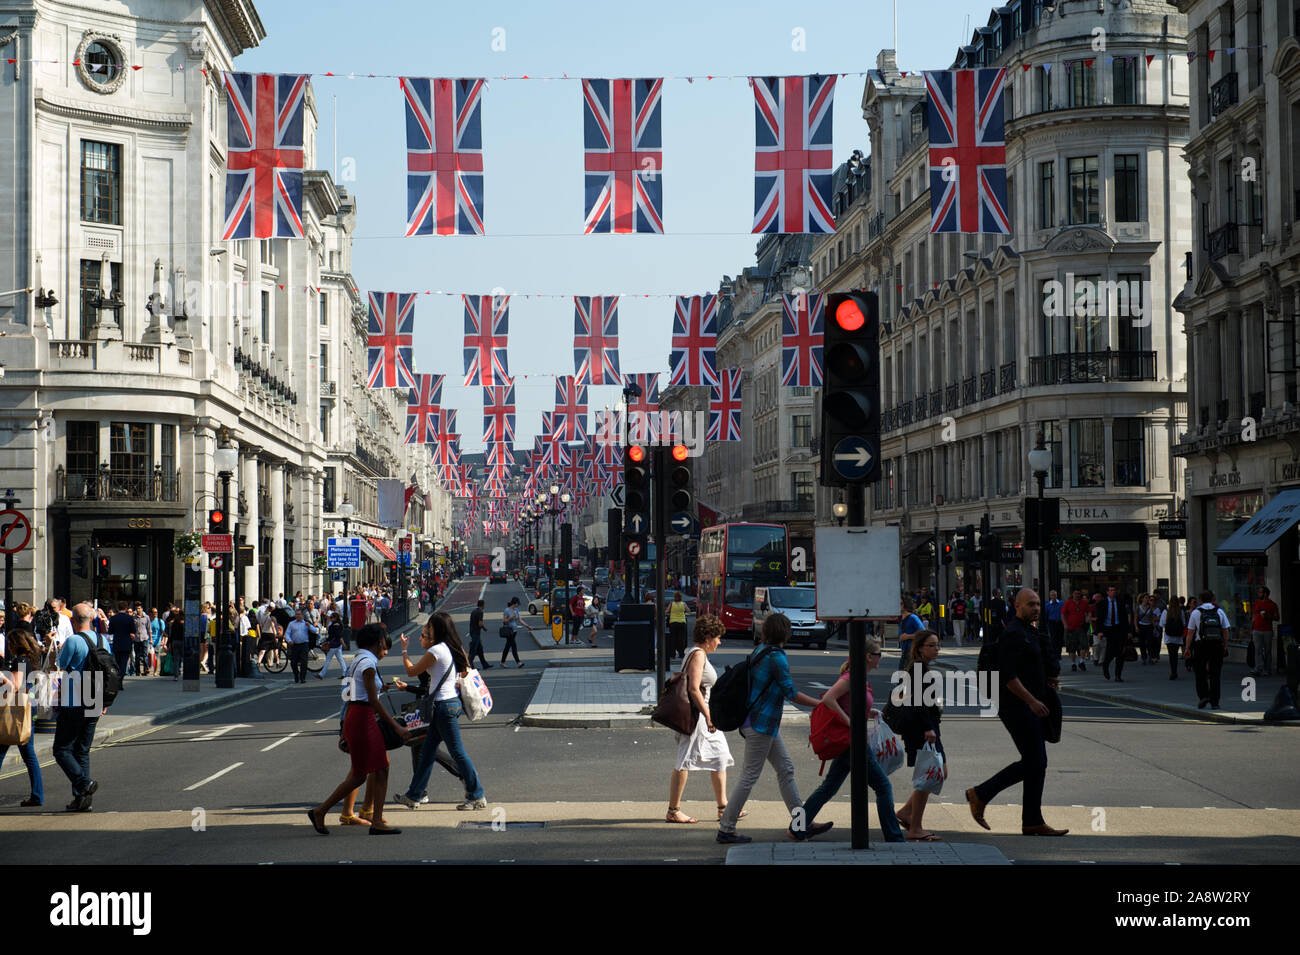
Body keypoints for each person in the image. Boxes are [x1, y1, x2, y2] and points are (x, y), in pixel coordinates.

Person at [716, 613, 826, 845]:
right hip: (760, 723)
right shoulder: (776, 657)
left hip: (759, 722)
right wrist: (821, 704)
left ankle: (800, 823)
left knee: (785, 769)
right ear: (785, 632)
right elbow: (791, 692)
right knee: (749, 777)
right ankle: (726, 828)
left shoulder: (761, 650)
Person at [967, 588, 1068, 837]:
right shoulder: (1012, 634)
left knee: (1037, 763)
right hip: (1016, 706)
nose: (1035, 608)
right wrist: (1032, 700)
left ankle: (1032, 821)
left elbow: (1035, 667)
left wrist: (1046, 681)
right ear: (1018, 607)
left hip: (1031, 703)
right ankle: (980, 794)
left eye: (1038, 604)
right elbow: (1008, 677)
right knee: (1035, 761)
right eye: (1030, 604)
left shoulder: (1031, 632)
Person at [308, 624, 410, 835]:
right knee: (367, 772)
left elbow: (351, 694)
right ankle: (327, 812)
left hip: (356, 715)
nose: (385, 644)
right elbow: (373, 701)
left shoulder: (357, 660)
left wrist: (344, 727)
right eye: (383, 640)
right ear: (377, 642)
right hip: (364, 718)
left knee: (369, 771)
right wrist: (397, 727)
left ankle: (326, 811)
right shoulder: (369, 666)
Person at [801, 637, 905, 842]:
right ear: (868, 656)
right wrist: (851, 723)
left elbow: (851, 703)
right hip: (851, 741)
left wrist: (868, 712)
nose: (880, 658)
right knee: (883, 787)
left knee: (828, 787)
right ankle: (894, 836)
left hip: (849, 741)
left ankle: (797, 827)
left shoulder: (860, 675)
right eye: (878, 654)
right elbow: (829, 698)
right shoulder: (852, 676)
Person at [395, 612, 487, 811]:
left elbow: (412, 671)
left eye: (429, 628)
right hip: (447, 704)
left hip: (443, 707)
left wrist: (404, 651)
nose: (426, 630)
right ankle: (414, 795)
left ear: (437, 630)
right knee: (427, 752)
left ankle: (477, 795)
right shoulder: (453, 647)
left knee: (458, 753)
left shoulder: (436, 651)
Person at [665, 614, 737, 824]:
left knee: (720, 756)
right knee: (684, 761)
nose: (719, 642)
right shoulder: (698, 655)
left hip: (705, 717)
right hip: (697, 718)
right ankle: (673, 810)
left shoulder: (696, 653)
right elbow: (694, 689)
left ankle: (724, 808)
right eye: (717, 637)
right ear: (708, 637)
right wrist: (708, 716)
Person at [891, 629, 945, 841]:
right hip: (923, 729)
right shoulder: (919, 669)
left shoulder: (921, 668)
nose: (936, 649)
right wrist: (928, 728)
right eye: (931, 645)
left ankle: (906, 812)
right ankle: (915, 828)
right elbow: (918, 702)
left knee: (938, 772)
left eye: (937, 645)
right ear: (920, 648)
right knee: (928, 776)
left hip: (927, 726)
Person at [54, 603, 106, 812]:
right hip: (95, 700)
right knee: (82, 751)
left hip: (74, 701)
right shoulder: (102, 639)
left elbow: (59, 665)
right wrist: (103, 701)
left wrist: (56, 648)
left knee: (62, 749)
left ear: (73, 620)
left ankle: (84, 783)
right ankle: (82, 800)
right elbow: (104, 670)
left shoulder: (73, 640)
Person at [0, 611, 45, 806]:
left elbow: (15, 686)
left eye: (10, 643)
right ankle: (37, 795)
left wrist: (1, 677)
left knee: (3, 751)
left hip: (15, 711)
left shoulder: (20, 661)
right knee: (29, 754)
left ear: (14, 644)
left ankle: (37, 795)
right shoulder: (31, 660)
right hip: (27, 709)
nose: (8, 647)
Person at [1185, 591, 1230, 710]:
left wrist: (1187, 648)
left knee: (1200, 673)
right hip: (1216, 645)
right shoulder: (1219, 611)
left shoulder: (1196, 612)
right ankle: (1215, 702)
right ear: (1213, 599)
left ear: (1200, 600)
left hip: (1201, 645)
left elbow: (1190, 632)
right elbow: (1225, 630)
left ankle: (1203, 696)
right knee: (1215, 674)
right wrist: (1225, 645)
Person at [1097, 585, 1134, 682]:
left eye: (1114, 590)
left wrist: (1129, 631)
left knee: (1120, 653)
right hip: (1108, 629)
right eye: (1111, 590)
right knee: (1110, 652)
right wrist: (1099, 631)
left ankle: (1118, 675)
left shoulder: (1120, 602)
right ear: (1107, 592)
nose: (1113, 592)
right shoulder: (1102, 603)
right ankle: (1105, 665)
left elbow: (1125, 619)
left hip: (1119, 628)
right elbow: (1100, 618)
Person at [1250, 586, 1280, 677]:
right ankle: (1258, 668)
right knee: (1257, 650)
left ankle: (1267, 669)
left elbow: (1277, 618)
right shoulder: (1257, 603)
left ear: (1265, 594)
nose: (1258, 594)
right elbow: (1254, 617)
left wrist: (1268, 616)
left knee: (1267, 651)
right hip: (1257, 630)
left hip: (1267, 630)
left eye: (1260, 592)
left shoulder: (1272, 605)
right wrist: (1252, 629)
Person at [1061, 588, 1090, 672]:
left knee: (1083, 645)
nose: (1077, 595)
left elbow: (1089, 611)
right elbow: (1062, 614)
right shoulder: (1068, 603)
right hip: (1070, 628)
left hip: (1081, 628)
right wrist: (1065, 624)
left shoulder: (1084, 603)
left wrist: (1088, 617)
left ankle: (1081, 661)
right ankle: (1073, 663)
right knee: (1071, 648)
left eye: (1078, 593)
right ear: (1072, 594)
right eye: (1075, 593)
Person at [1159, 596, 1186, 680]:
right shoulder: (1180, 611)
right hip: (1177, 636)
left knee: (1171, 655)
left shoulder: (1166, 611)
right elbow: (1184, 623)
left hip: (1169, 636)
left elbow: (1162, 624)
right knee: (1176, 654)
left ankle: (1173, 671)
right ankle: (1175, 670)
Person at [107, 601, 135, 680]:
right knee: (124, 662)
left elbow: (110, 631)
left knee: (117, 662)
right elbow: (133, 630)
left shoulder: (113, 618)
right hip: (126, 643)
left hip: (117, 642)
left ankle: (117, 677)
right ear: (126, 609)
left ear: (118, 608)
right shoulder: (129, 618)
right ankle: (121, 678)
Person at [501, 597, 531, 668]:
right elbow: (504, 621)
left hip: (514, 631)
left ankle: (502, 662)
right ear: (514, 603)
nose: (518, 605)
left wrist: (527, 626)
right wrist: (511, 617)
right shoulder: (507, 610)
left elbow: (520, 620)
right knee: (514, 646)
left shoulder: (516, 610)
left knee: (507, 647)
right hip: (509, 632)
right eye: (517, 604)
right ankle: (518, 662)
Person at [284, 606, 312, 684]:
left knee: (304, 662)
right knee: (293, 662)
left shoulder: (306, 623)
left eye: (299, 614)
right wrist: (289, 640)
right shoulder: (291, 623)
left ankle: (302, 678)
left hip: (304, 644)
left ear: (302, 615)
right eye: (296, 614)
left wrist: (310, 627)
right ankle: (296, 675)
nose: (298, 616)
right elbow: (287, 633)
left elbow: (314, 631)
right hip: (295, 645)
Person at [318, 613, 347, 680]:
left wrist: (344, 644)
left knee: (328, 660)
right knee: (340, 659)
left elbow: (339, 636)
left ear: (335, 618)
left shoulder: (334, 626)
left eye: (331, 617)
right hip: (338, 645)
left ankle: (321, 674)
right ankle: (345, 673)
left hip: (333, 645)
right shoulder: (338, 625)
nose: (330, 618)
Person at [897, 596, 924, 668]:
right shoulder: (901, 618)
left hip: (913, 652)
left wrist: (908, 636)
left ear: (906, 605)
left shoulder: (913, 617)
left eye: (901, 604)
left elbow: (923, 633)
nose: (898, 606)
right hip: (905, 652)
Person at [1135, 593, 1160, 665]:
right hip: (1141, 625)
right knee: (1142, 642)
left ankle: (1149, 656)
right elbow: (1136, 618)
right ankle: (1144, 657)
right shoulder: (1138, 607)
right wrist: (1136, 627)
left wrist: (1154, 627)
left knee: (1150, 642)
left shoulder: (1150, 608)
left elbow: (1151, 618)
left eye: (1148, 598)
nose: (1147, 599)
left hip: (1149, 626)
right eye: (1146, 598)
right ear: (1142, 599)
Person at [466, 599, 490, 669]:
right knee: (473, 650)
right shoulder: (480, 612)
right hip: (476, 633)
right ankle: (470, 666)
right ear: (482, 605)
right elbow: (480, 623)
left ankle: (484, 664)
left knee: (480, 650)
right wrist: (484, 628)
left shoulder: (473, 611)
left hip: (472, 631)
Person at [668, 591, 688, 661]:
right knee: (681, 639)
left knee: (673, 639)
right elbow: (688, 610)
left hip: (673, 623)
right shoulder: (684, 604)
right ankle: (681, 654)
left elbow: (666, 611)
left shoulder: (671, 603)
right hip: (682, 623)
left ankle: (672, 654)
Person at [165, 609, 185, 680]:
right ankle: (185, 673)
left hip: (175, 642)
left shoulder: (174, 623)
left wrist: (169, 644)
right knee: (184, 658)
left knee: (176, 659)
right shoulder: (184, 623)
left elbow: (171, 635)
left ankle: (176, 676)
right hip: (182, 641)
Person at [1044, 590, 1064, 658]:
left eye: (1054, 595)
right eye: (1052, 595)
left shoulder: (1061, 603)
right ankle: (1054, 653)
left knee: (1060, 638)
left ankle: (1059, 653)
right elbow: (1046, 615)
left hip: (1059, 622)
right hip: (1051, 622)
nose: (1053, 597)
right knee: (1053, 639)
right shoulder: (1047, 605)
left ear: (1056, 596)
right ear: (1050, 596)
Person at [149, 608, 165, 676]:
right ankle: (148, 669)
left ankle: (155, 671)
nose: (155, 613)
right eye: (153, 612)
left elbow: (163, 632)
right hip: (148, 641)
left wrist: (162, 641)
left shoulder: (160, 621)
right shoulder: (148, 620)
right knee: (148, 656)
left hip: (157, 642)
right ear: (150, 613)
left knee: (157, 657)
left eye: (156, 612)